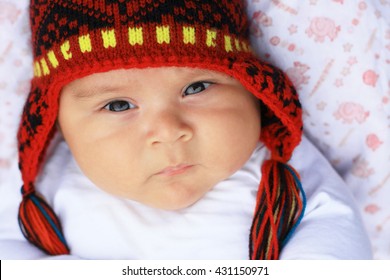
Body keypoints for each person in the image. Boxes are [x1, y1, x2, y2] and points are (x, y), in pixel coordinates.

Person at [13, 0, 371, 259]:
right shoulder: (47, 180)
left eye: (197, 87)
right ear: (54, 122)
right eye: (118, 105)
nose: (169, 131)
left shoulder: (280, 166)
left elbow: (335, 237)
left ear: (251, 87)